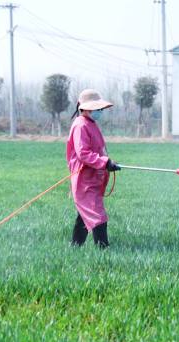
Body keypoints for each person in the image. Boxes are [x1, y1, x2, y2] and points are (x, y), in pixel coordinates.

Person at [66, 89, 121, 248]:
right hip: (84, 179)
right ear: (85, 108)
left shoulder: (90, 123)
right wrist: (104, 163)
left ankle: (75, 247)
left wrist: (108, 163)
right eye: (97, 109)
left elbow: (98, 151)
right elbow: (83, 153)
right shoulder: (81, 125)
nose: (100, 112)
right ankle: (103, 250)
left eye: (100, 109)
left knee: (84, 214)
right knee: (97, 215)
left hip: (93, 177)